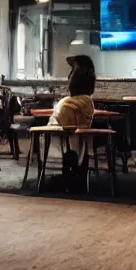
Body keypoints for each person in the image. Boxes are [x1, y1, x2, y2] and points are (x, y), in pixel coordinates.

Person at [48, 55, 97, 185]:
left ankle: (68, 164)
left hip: (67, 132)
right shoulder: (87, 101)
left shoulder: (69, 102)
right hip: (77, 134)